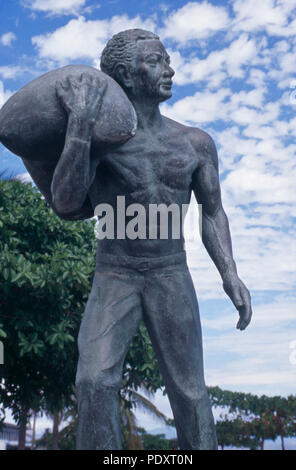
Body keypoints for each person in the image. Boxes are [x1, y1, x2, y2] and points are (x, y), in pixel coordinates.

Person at [50, 29, 252, 450]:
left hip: (170, 274)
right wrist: (80, 132)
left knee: (190, 391)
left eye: (167, 60)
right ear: (126, 74)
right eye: (157, 61)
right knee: (92, 382)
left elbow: (212, 212)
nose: (170, 70)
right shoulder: (100, 143)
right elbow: (66, 204)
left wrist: (229, 274)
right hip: (115, 274)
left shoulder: (195, 143)